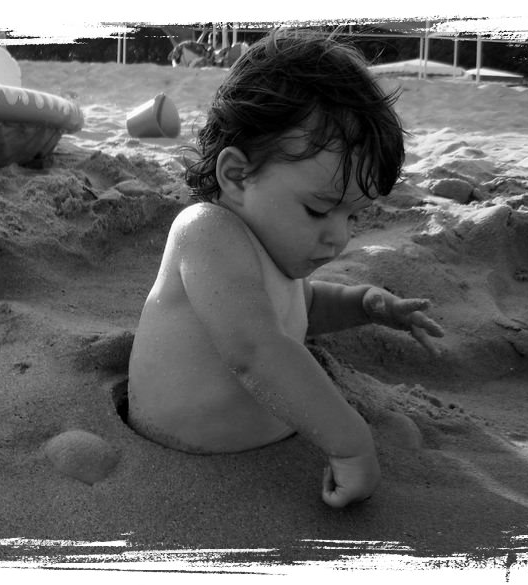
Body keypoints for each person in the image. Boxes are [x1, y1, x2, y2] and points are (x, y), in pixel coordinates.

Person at [127, 29, 444, 508]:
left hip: (257, 469)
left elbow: (302, 309)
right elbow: (255, 350)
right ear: (237, 176)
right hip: (181, 476)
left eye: (352, 217)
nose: (338, 237)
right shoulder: (207, 231)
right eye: (318, 210)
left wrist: (363, 304)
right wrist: (349, 441)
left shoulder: (272, 250)